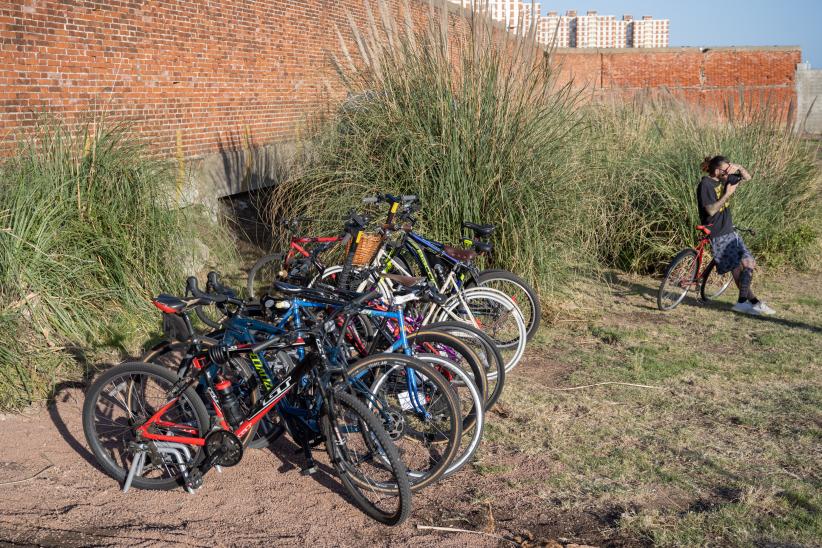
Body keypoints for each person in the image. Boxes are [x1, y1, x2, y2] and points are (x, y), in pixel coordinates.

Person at [697, 155, 775, 316]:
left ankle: (744, 303)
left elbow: (748, 177)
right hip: (718, 233)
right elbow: (710, 210)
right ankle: (752, 303)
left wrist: (738, 167)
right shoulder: (706, 184)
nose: (729, 173)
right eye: (726, 170)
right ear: (717, 170)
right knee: (737, 269)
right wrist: (727, 194)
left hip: (730, 231)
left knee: (749, 263)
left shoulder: (723, 178)